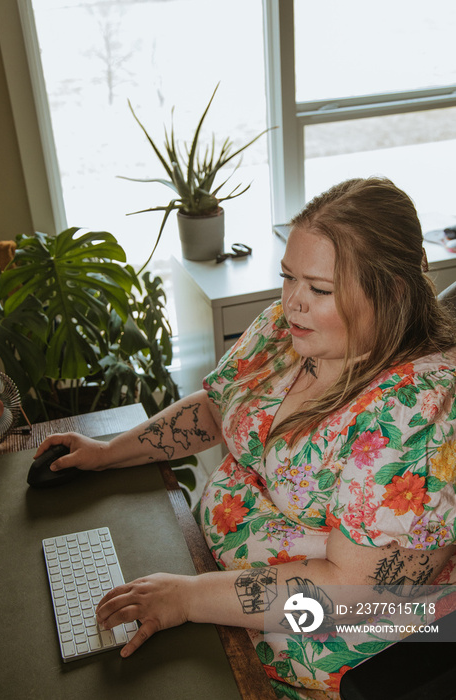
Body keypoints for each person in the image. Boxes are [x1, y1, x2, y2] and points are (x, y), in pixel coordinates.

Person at [36, 177, 456, 699]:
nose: (293, 302)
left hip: (316, 646)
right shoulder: (286, 332)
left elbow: (350, 591)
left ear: (392, 290)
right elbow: (216, 409)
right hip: (216, 585)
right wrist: (108, 452)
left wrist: (188, 599)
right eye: (288, 278)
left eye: (320, 289)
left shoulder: (416, 412)